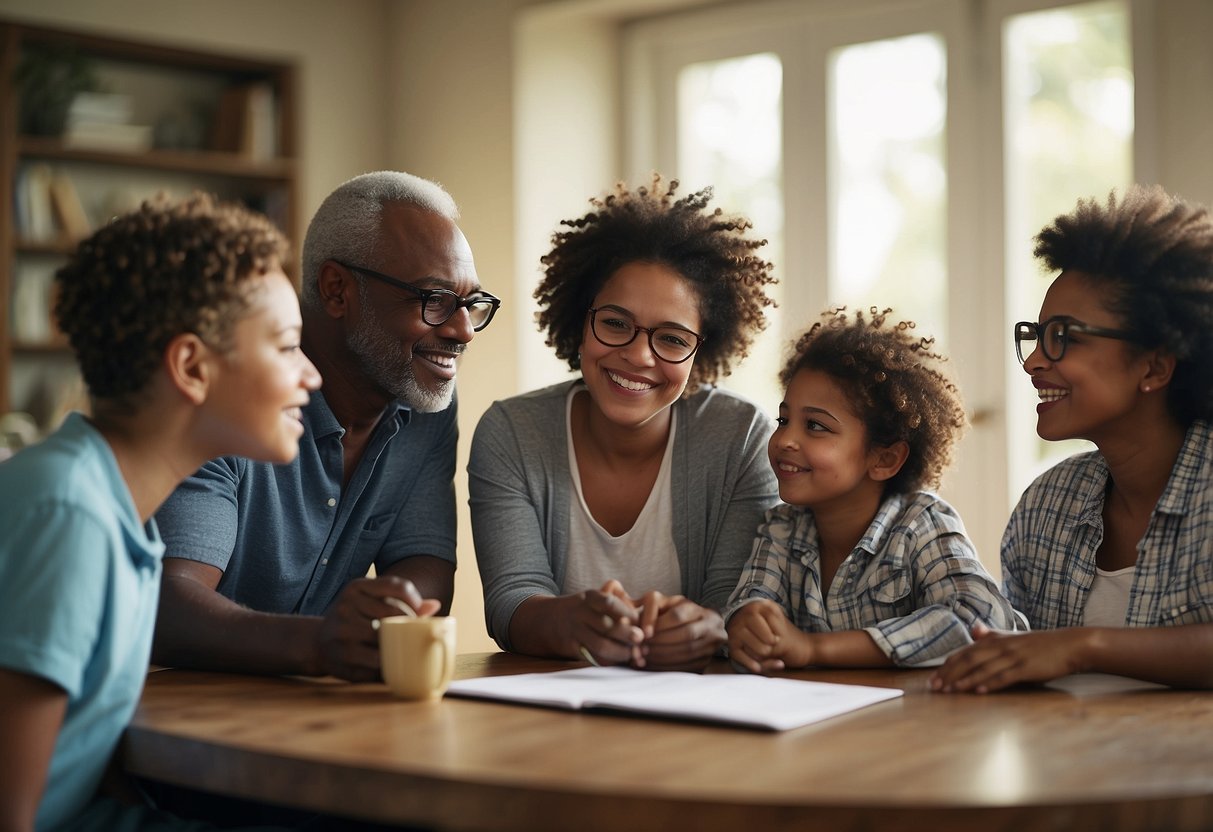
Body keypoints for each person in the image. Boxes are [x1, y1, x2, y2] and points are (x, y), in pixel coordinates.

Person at [0, 194, 320, 831]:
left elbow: (80, 760)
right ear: (192, 367)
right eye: (287, 348)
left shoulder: (120, 516)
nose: (309, 375)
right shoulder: (71, 516)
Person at [152, 171, 498, 681]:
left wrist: (390, 610)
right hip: (183, 713)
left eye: (471, 303)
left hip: (323, 712)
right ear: (337, 290)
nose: (463, 330)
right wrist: (318, 643)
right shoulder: (231, 394)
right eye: (435, 299)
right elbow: (169, 605)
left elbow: (422, 560)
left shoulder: (425, 397)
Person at [468, 175, 779, 672]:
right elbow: (511, 601)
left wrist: (708, 626)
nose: (637, 356)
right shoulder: (512, 433)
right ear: (580, 319)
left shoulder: (741, 439)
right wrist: (571, 622)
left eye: (672, 339)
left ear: (703, 350)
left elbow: (737, 600)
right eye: (615, 323)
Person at [932, 185, 1213, 693]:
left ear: (1154, 365)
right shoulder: (1046, 507)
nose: (1036, 361)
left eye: (1064, 337)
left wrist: (1084, 646)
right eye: (1036, 337)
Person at [725, 307, 1024, 673]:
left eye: (816, 426)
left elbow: (979, 617)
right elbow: (751, 602)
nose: (785, 439)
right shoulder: (781, 528)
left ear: (884, 459)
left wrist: (815, 649)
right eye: (784, 420)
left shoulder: (920, 524)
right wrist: (748, 620)